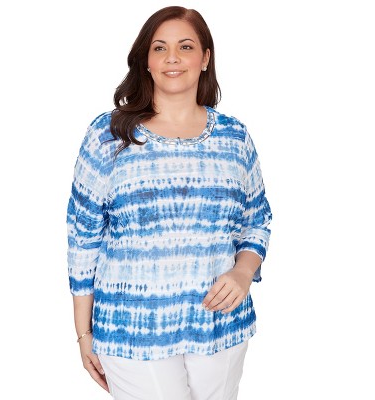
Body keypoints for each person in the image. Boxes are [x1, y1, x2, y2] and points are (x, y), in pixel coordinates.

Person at [66, 6, 272, 400]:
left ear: (205, 58)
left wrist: (244, 272)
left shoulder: (234, 137)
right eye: (160, 48)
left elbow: (257, 221)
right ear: (146, 60)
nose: (172, 58)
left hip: (220, 325)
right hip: (131, 330)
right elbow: (83, 237)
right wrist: (83, 333)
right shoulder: (109, 135)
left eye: (185, 46)